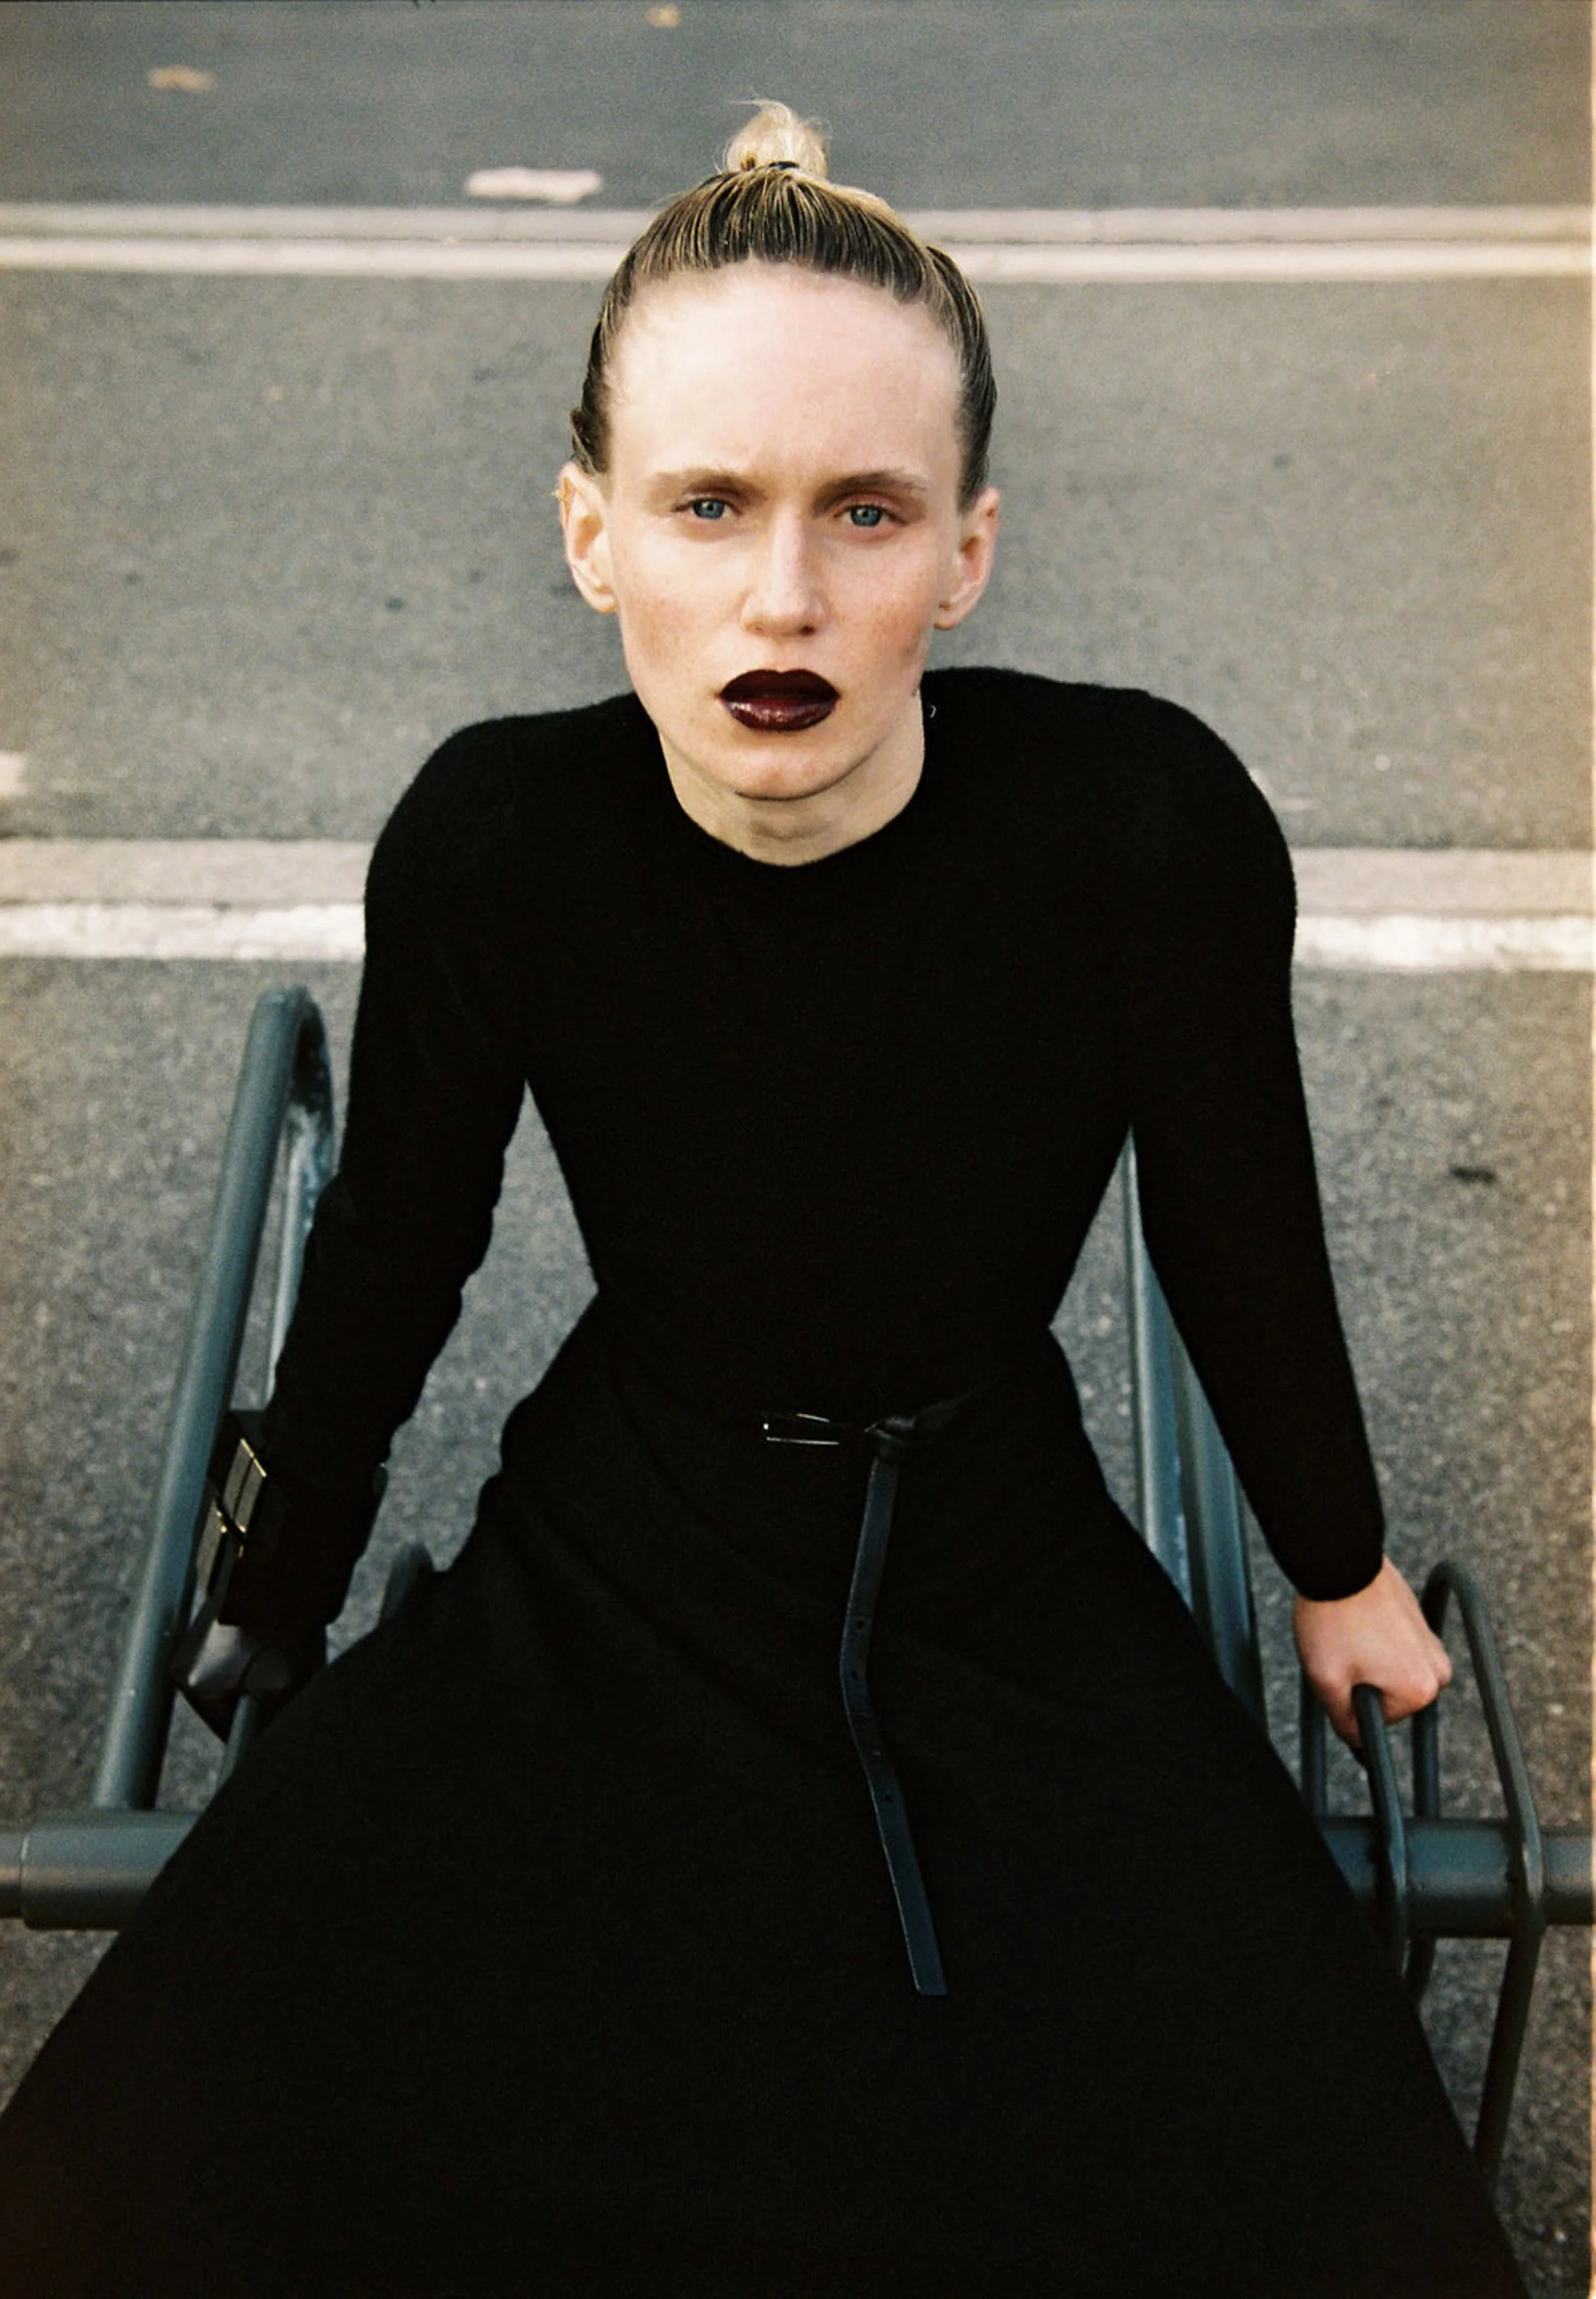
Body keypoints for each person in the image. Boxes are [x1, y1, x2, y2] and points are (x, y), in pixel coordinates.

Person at [0, 104, 1528, 2297]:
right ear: (590, 530)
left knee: (1343, 2212)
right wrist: (277, 1582)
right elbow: (395, 1252)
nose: (786, 596)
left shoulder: (1135, 826)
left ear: (969, 551)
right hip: (617, 1547)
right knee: (115, 2191)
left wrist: (1341, 1568)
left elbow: (1235, 1226)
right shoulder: (500, 843)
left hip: (1003, 1562)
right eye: (707, 505)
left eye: (867, 512)